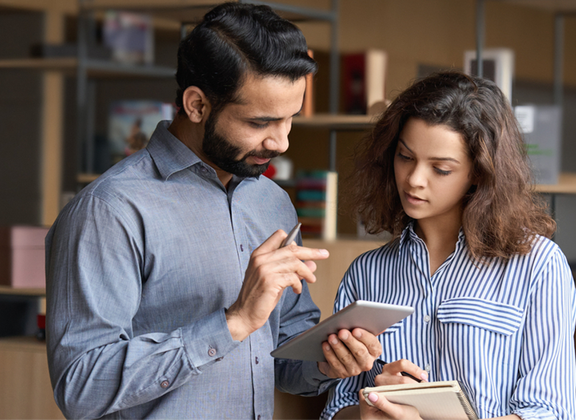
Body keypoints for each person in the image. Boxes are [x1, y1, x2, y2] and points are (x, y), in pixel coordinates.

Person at [45, 3, 381, 419]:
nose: (282, 143)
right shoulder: (109, 211)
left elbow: (282, 358)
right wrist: (233, 322)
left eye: (289, 119)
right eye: (261, 123)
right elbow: (80, 385)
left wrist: (328, 359)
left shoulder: (271, 201)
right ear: (197, 105)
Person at [321, 72, 576, 420]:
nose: (414, 179)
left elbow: (550, 413)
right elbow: (337, 407)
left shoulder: (538, 266)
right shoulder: (366, 274)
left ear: (479, 173)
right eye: (405, 156)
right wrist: (369, 409)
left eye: (440, 169)